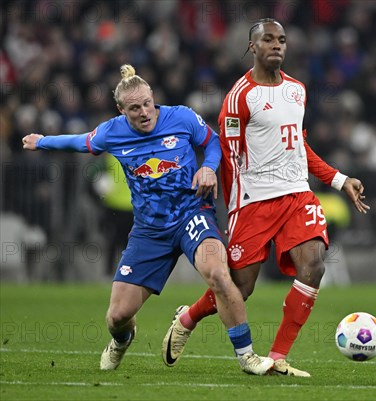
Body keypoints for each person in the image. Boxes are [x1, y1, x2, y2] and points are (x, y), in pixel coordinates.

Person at [21, 64, 274, 375]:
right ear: (121, 110)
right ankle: (122, 341)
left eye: (146, 104)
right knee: (116, 317)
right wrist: (42, 141)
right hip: (149, 230)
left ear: (154, 98)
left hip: (192, 213)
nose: (143, 112)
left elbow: (212, 141)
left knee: (220, 276)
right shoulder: (112, 132)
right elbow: (81, 141)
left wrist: (208, 167)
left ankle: (247, 357)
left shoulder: (181, 117)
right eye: (134, 108)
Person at [162, 19, 369, 377]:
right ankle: (187, 318)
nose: (277, 45)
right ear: (252, 47)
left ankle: (278, 355)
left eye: (282, 40)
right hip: (254, 202)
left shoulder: (298, 91)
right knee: (239, 289)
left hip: (297, 196)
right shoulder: (240, 97)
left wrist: (339, 179)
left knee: (315, 265)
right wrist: (225, 202)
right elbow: (226, 155)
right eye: (268, 39)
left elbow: (299, 146)